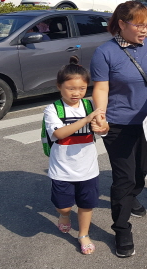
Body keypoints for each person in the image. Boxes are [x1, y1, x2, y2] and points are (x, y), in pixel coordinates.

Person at [90, 1, 147, 257]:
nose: (145, 29)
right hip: (118, 124)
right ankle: (121, 228)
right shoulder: (105, 52)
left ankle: (133, 194)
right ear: (122, 24)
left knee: (141, 169)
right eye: (139, 25)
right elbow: (101, 88)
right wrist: (100, 115)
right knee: (123, 177)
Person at [42, 56, 104, 255]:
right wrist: (86, 120)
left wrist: (102, 127)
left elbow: (104, 129)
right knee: (64, 206)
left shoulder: (90, 105)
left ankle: (83, 234)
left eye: (82, 88)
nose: (77, 93)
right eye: (71, 88)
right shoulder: (52, 110)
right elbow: (59, 133)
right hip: (62, 170)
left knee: (87, 205)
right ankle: (64, 216)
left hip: (88, 169)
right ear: (59, 86)